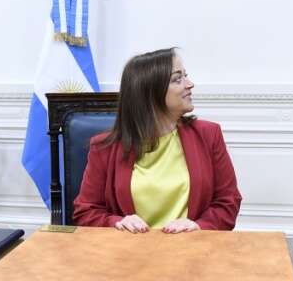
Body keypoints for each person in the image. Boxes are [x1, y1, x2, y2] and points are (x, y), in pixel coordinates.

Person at [73, 48, 242, 233]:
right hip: (128, 248)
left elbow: (228, 202)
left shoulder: (209, 135)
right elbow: (85, 212)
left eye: (185, 76)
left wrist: (199, 225)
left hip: (191, 247)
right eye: (177, 79)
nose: (190, 84)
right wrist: (117, 222)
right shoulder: (104, 147)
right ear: (150, 93)